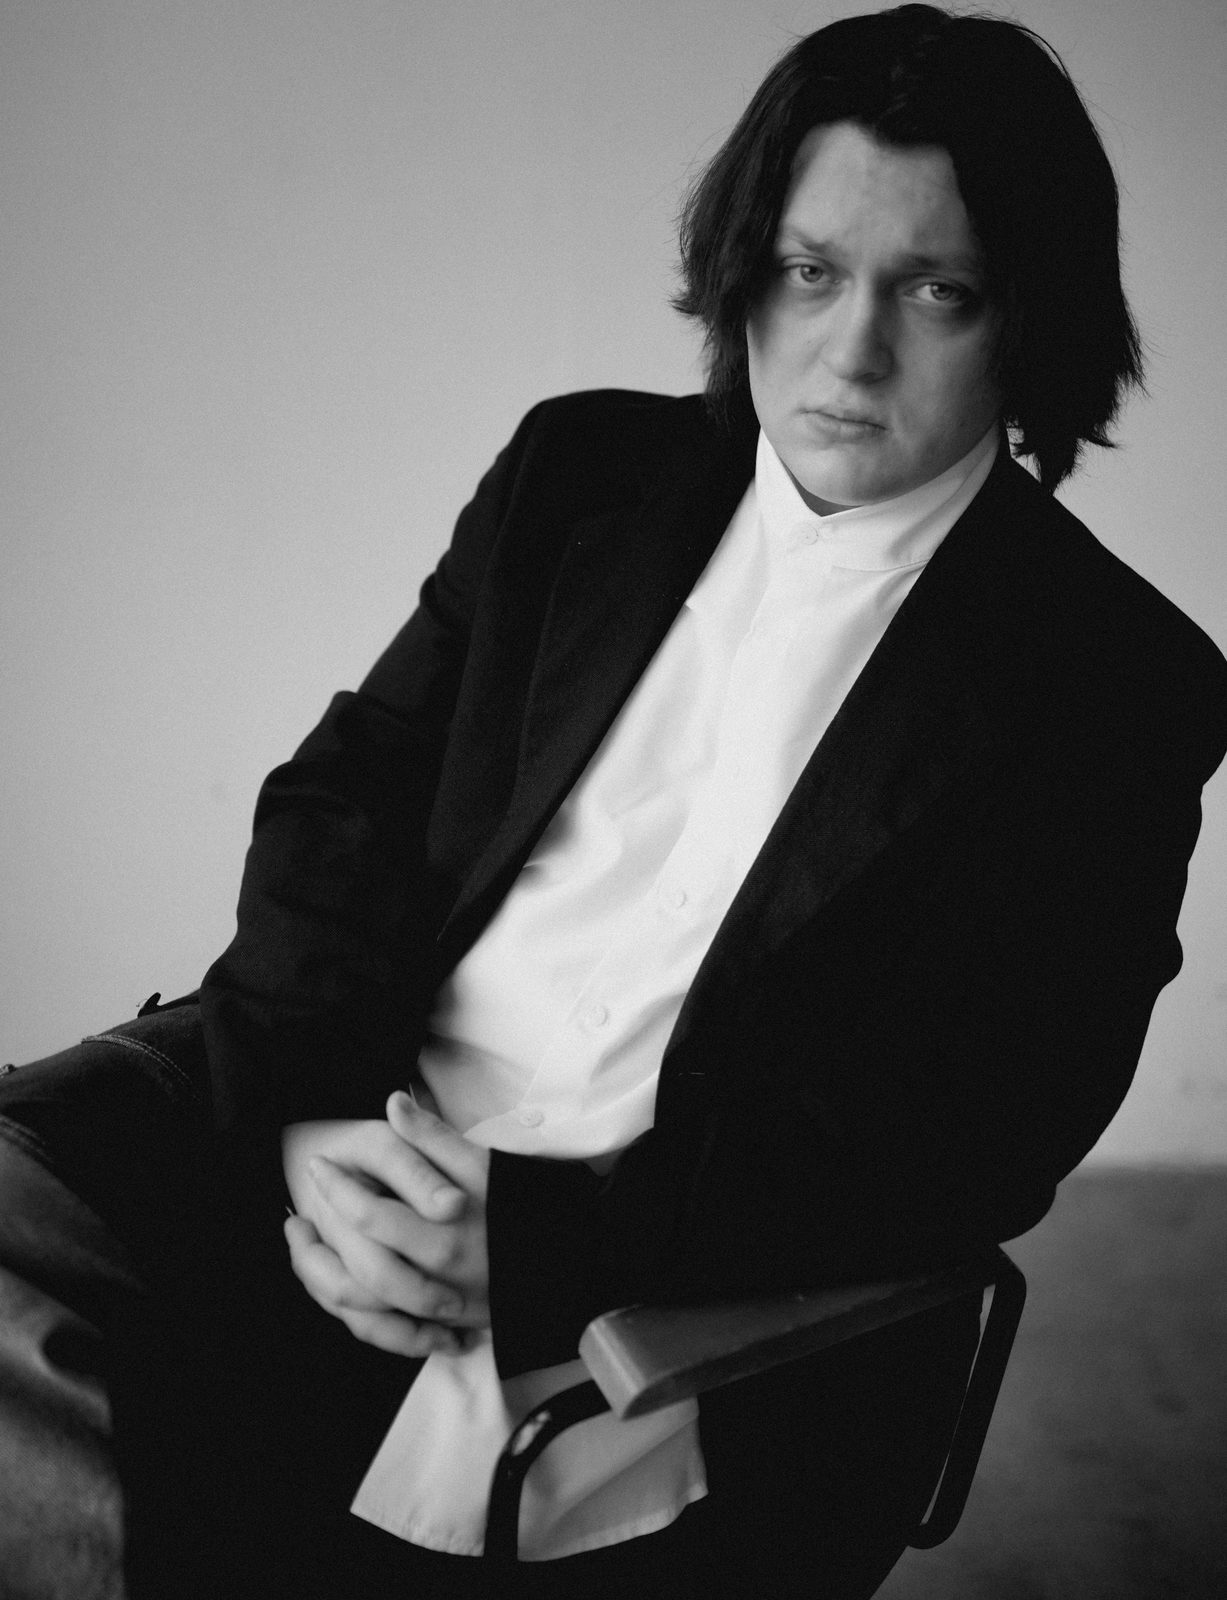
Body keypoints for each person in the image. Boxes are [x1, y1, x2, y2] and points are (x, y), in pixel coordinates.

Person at [2, 5, 1225, 1598]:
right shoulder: (582, 473)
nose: (851, 351)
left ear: (1029, 319)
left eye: (937, 291)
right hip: (342, 1129)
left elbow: (974, 1129)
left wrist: (535, 1247)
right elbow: (343, 805)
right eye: (809, 271)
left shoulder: (1115, 679)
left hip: (652, 1283)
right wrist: (316, 1118)